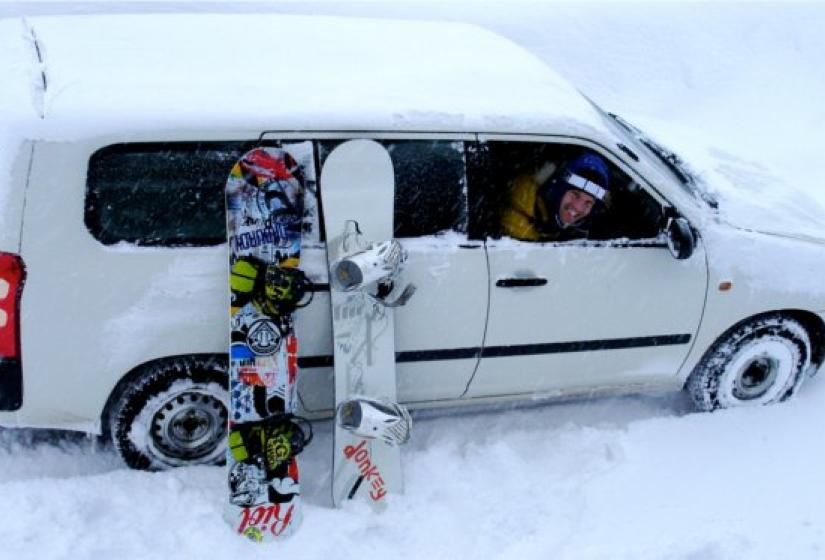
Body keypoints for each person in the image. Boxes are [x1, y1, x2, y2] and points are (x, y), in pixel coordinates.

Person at [500, 151, 611, 242]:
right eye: (575, 195)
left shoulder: (553, 211)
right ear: (559, 191)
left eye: (588, 203)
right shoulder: (520, 219)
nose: (578, 207)